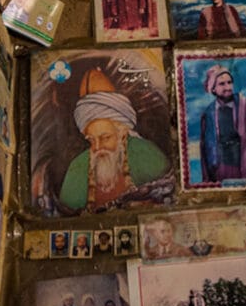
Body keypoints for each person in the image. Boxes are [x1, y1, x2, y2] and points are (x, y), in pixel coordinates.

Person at [59, 68, 169, 211]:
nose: (97, 147)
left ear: (122, 132)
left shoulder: (146, 154)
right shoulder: (77, 167)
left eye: (105, 138)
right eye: (91, 140)